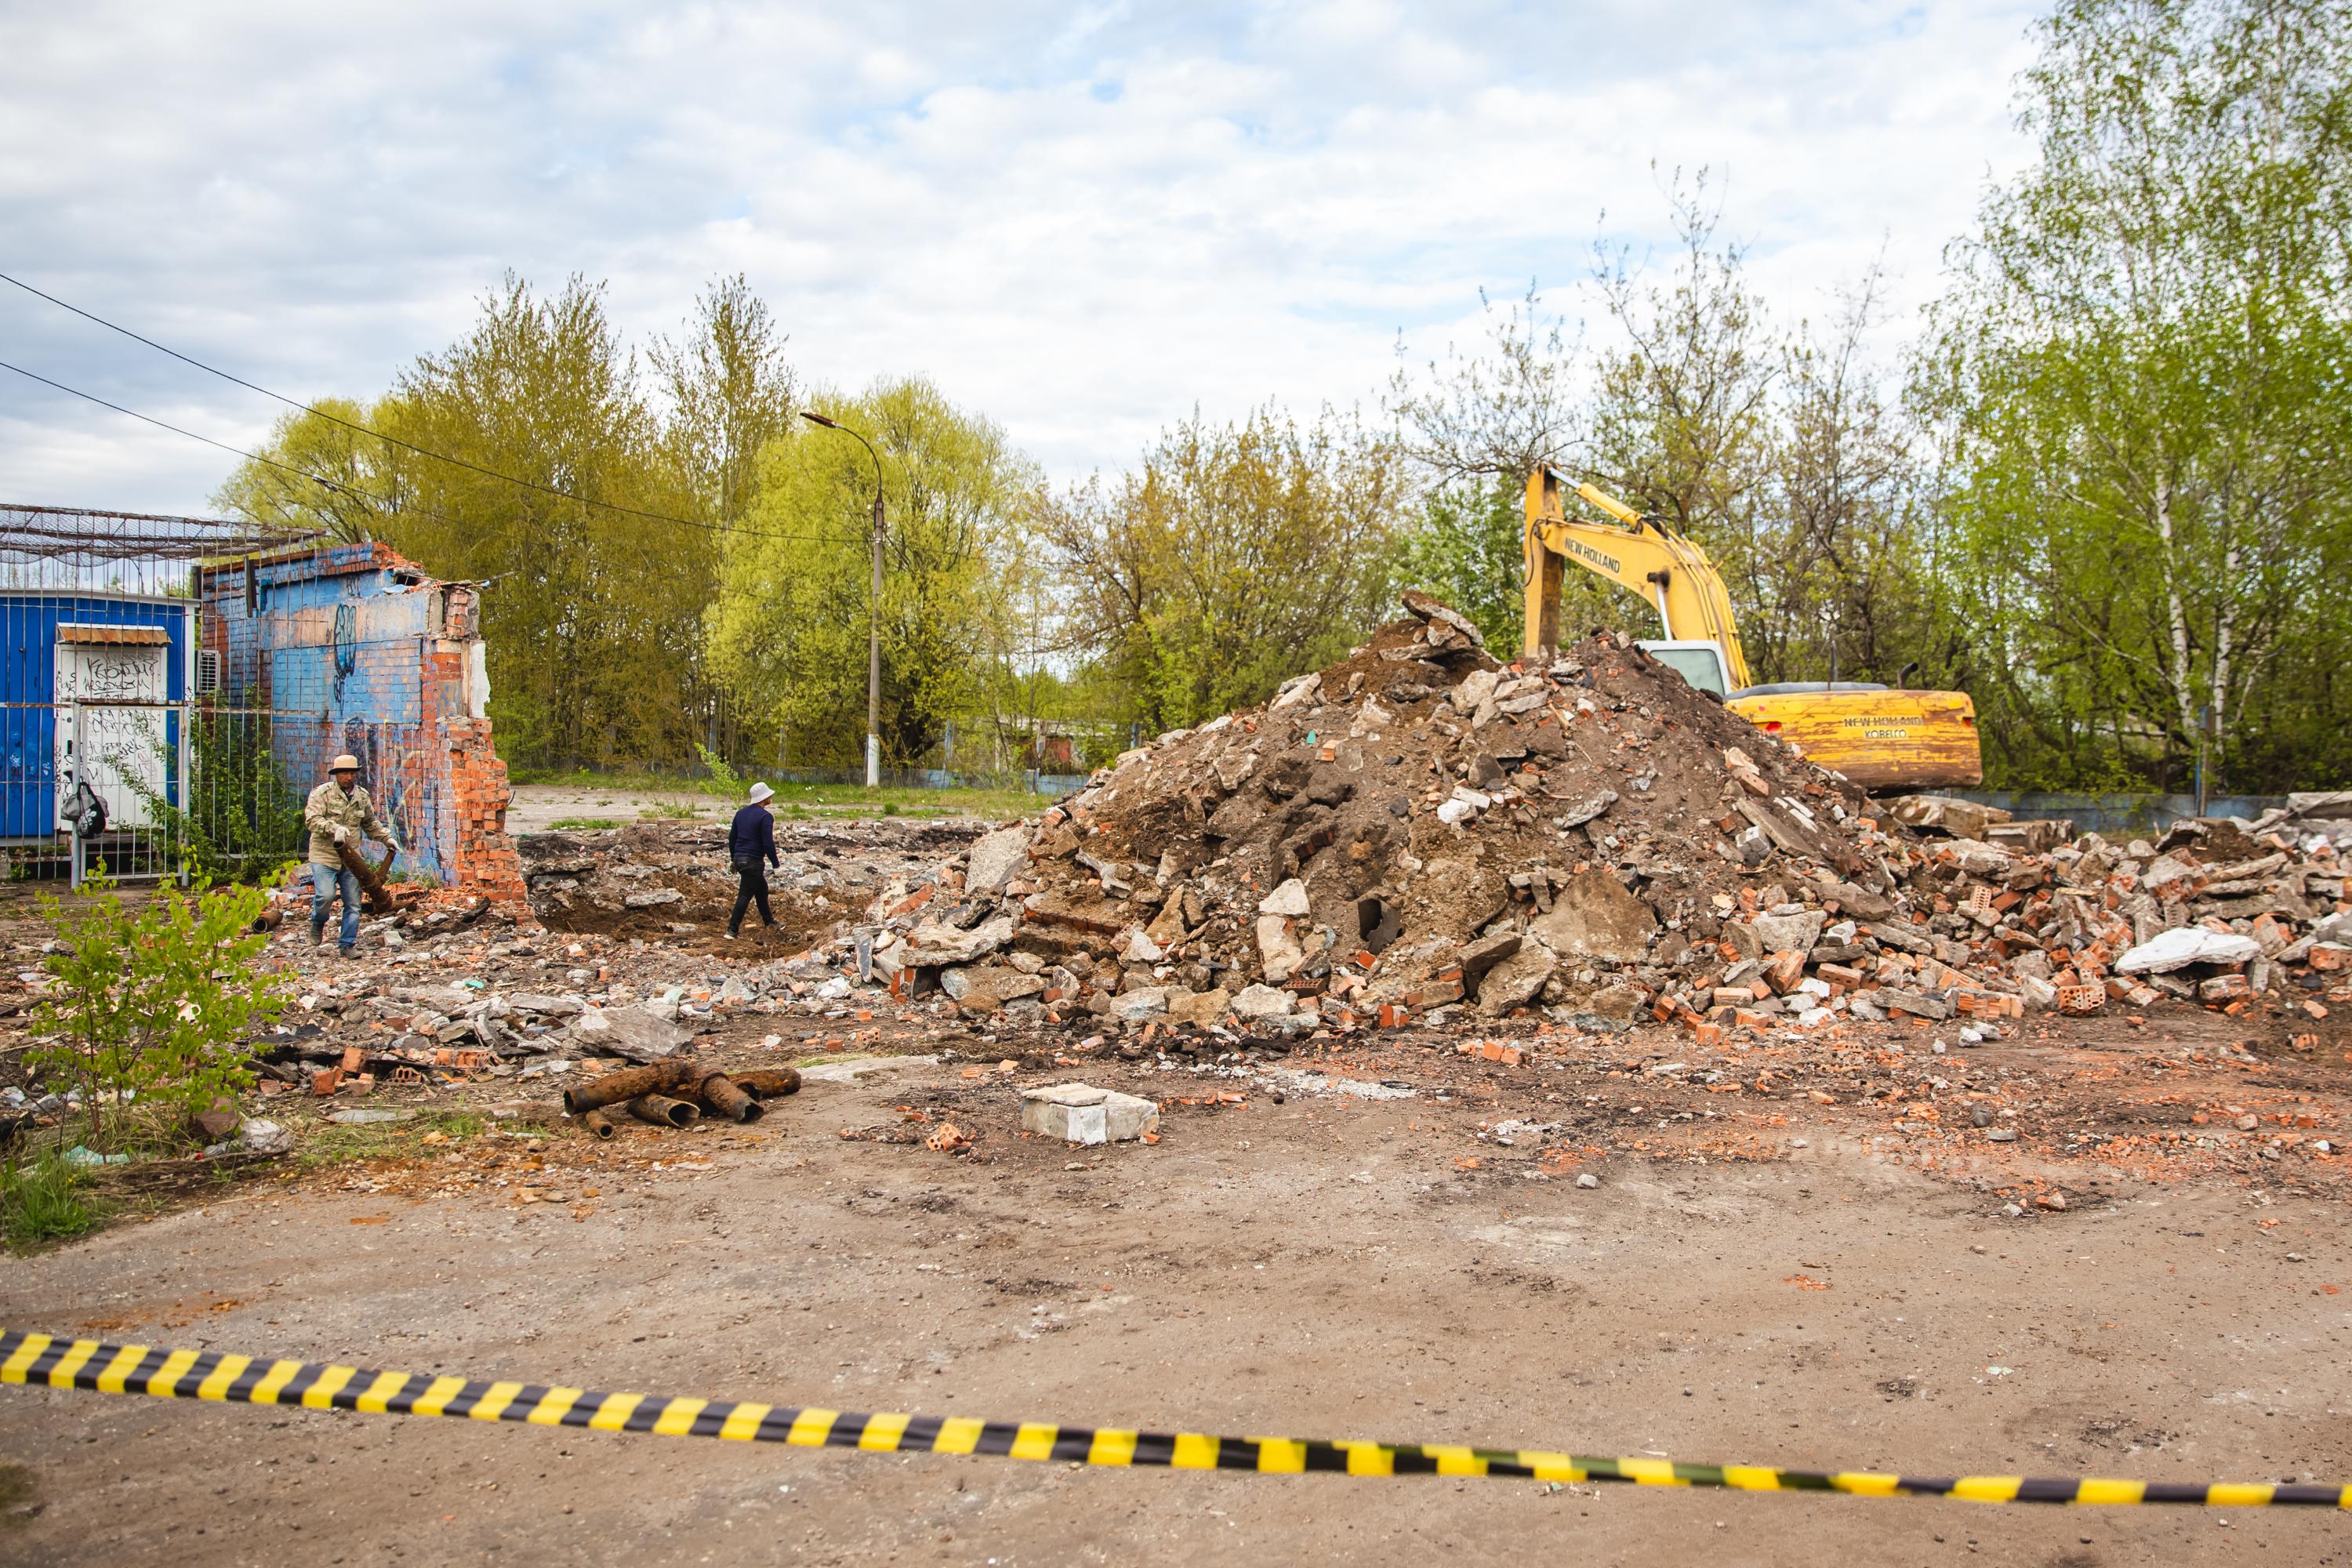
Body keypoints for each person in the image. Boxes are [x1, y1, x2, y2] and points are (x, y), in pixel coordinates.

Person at [304, 753, 395, 956]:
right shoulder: (322, 794)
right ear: (336, 774)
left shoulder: (361, 796)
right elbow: (312, 820)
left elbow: (370, 822)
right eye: (344, 773)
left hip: (350, 859)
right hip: (324, 855)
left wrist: (386, 838)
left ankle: (347, 944)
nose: (348, 777)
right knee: (325, 896)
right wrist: (333, 828)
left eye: (352, 773)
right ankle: (318, 921)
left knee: (354, 904)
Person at [726, 782, 780, 939]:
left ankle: (770, 923)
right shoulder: (765, 816)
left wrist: (733, 859)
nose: (771, 797)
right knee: (745, 895)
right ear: (764, 798)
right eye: (769, 795)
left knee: (761, 890)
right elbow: (767, 843)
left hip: (739, 859)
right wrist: (776, 864)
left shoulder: (740, 814)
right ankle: (731, 930)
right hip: (753, 862)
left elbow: (732, 838)